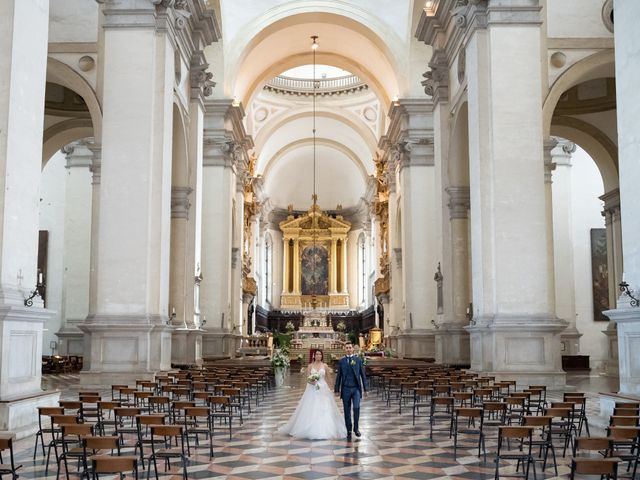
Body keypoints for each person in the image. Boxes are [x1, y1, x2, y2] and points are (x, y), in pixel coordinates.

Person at [278, 350, 347, 439]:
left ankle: (325, 428)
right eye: (317, 354)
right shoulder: (310, 366)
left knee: (325, 408)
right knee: (311, 407)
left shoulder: (325, 366)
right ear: (314, 356)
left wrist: (333, 389)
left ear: (322, 356)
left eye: (320, 354)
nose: (318, 356)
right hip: (312, 389)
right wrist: (312, 381)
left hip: (323, 388)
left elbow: (328, 378)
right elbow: (307, 378)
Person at [334, 343, 368, 441]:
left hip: (356, 388)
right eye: (347, 348)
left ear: (353, 349)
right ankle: (349, 430)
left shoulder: (358, 360)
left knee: (356, 408)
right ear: (345, 349)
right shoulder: (342, 361)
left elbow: (363, 375)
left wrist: (365, 389)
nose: (348, 349)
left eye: (350, 348)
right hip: (345, 389)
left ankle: (356, 428)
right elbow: (339, 376)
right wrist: (337, 389)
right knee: (346, 410)